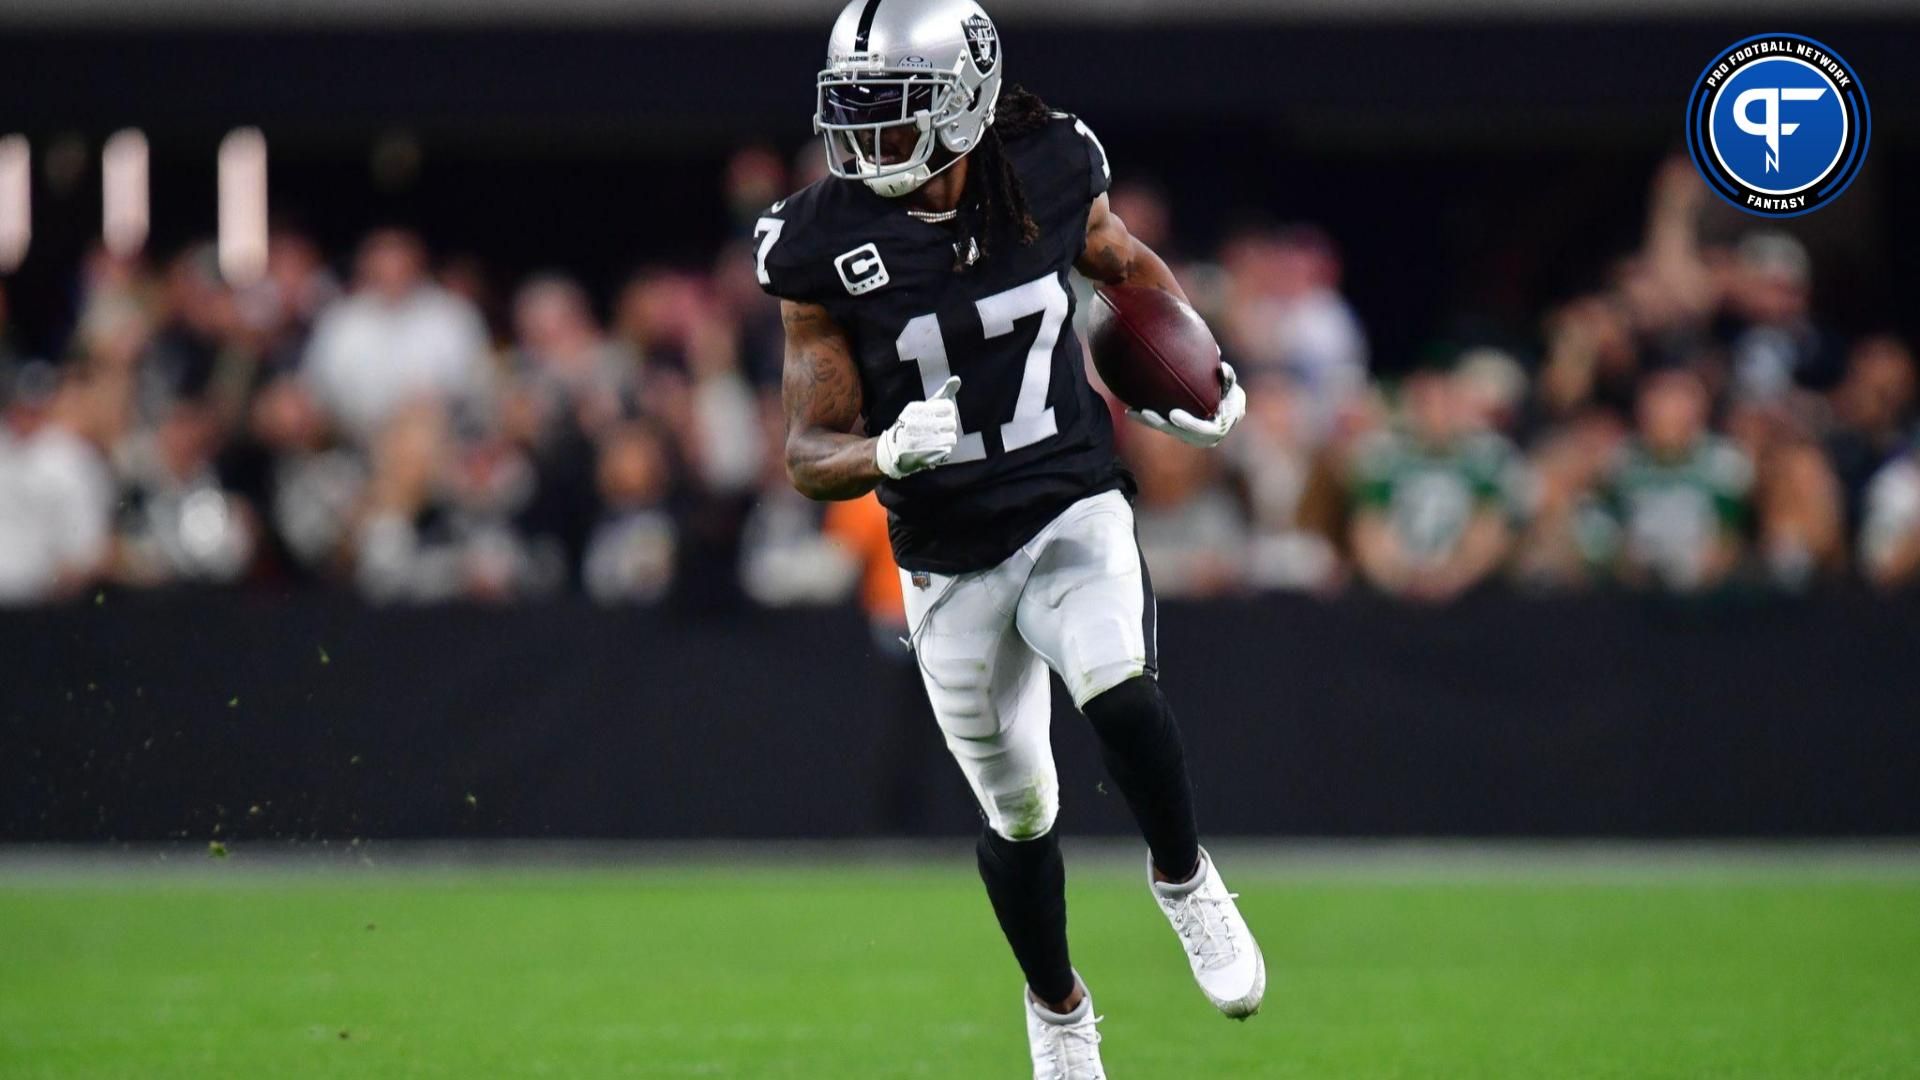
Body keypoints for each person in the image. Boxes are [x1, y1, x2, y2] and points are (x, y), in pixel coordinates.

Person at [758, 3, 1260, 1074]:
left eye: (894, 116)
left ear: (966, 103)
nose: (866, 144)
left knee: (1117, 683)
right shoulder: (818, 240)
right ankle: (1060, 1006)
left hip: (1068, 494)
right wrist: (887, 452)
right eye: (854, 116)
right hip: (946, 554)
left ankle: (1183, 878)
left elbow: (1123, 267)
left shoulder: (1052, 163)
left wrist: (1193, 363)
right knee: (1021, 809)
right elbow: (807, 451)